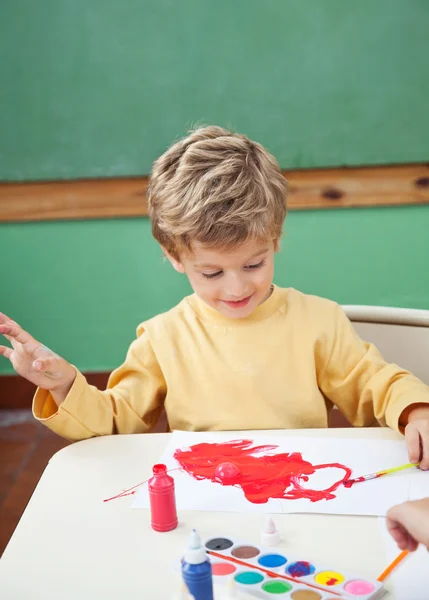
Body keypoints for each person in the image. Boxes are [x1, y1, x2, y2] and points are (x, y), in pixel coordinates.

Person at [1, 126, 429, 466]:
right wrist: (64, 385)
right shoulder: (162, 337)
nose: (237, 288)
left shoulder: (318, 321)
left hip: (300, 489)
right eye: (211, 272)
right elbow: (116, 421)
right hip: (205, 502)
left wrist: (417, 411)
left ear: (275, 239)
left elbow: (374, 383)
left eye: (253, 265)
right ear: (174, 257)